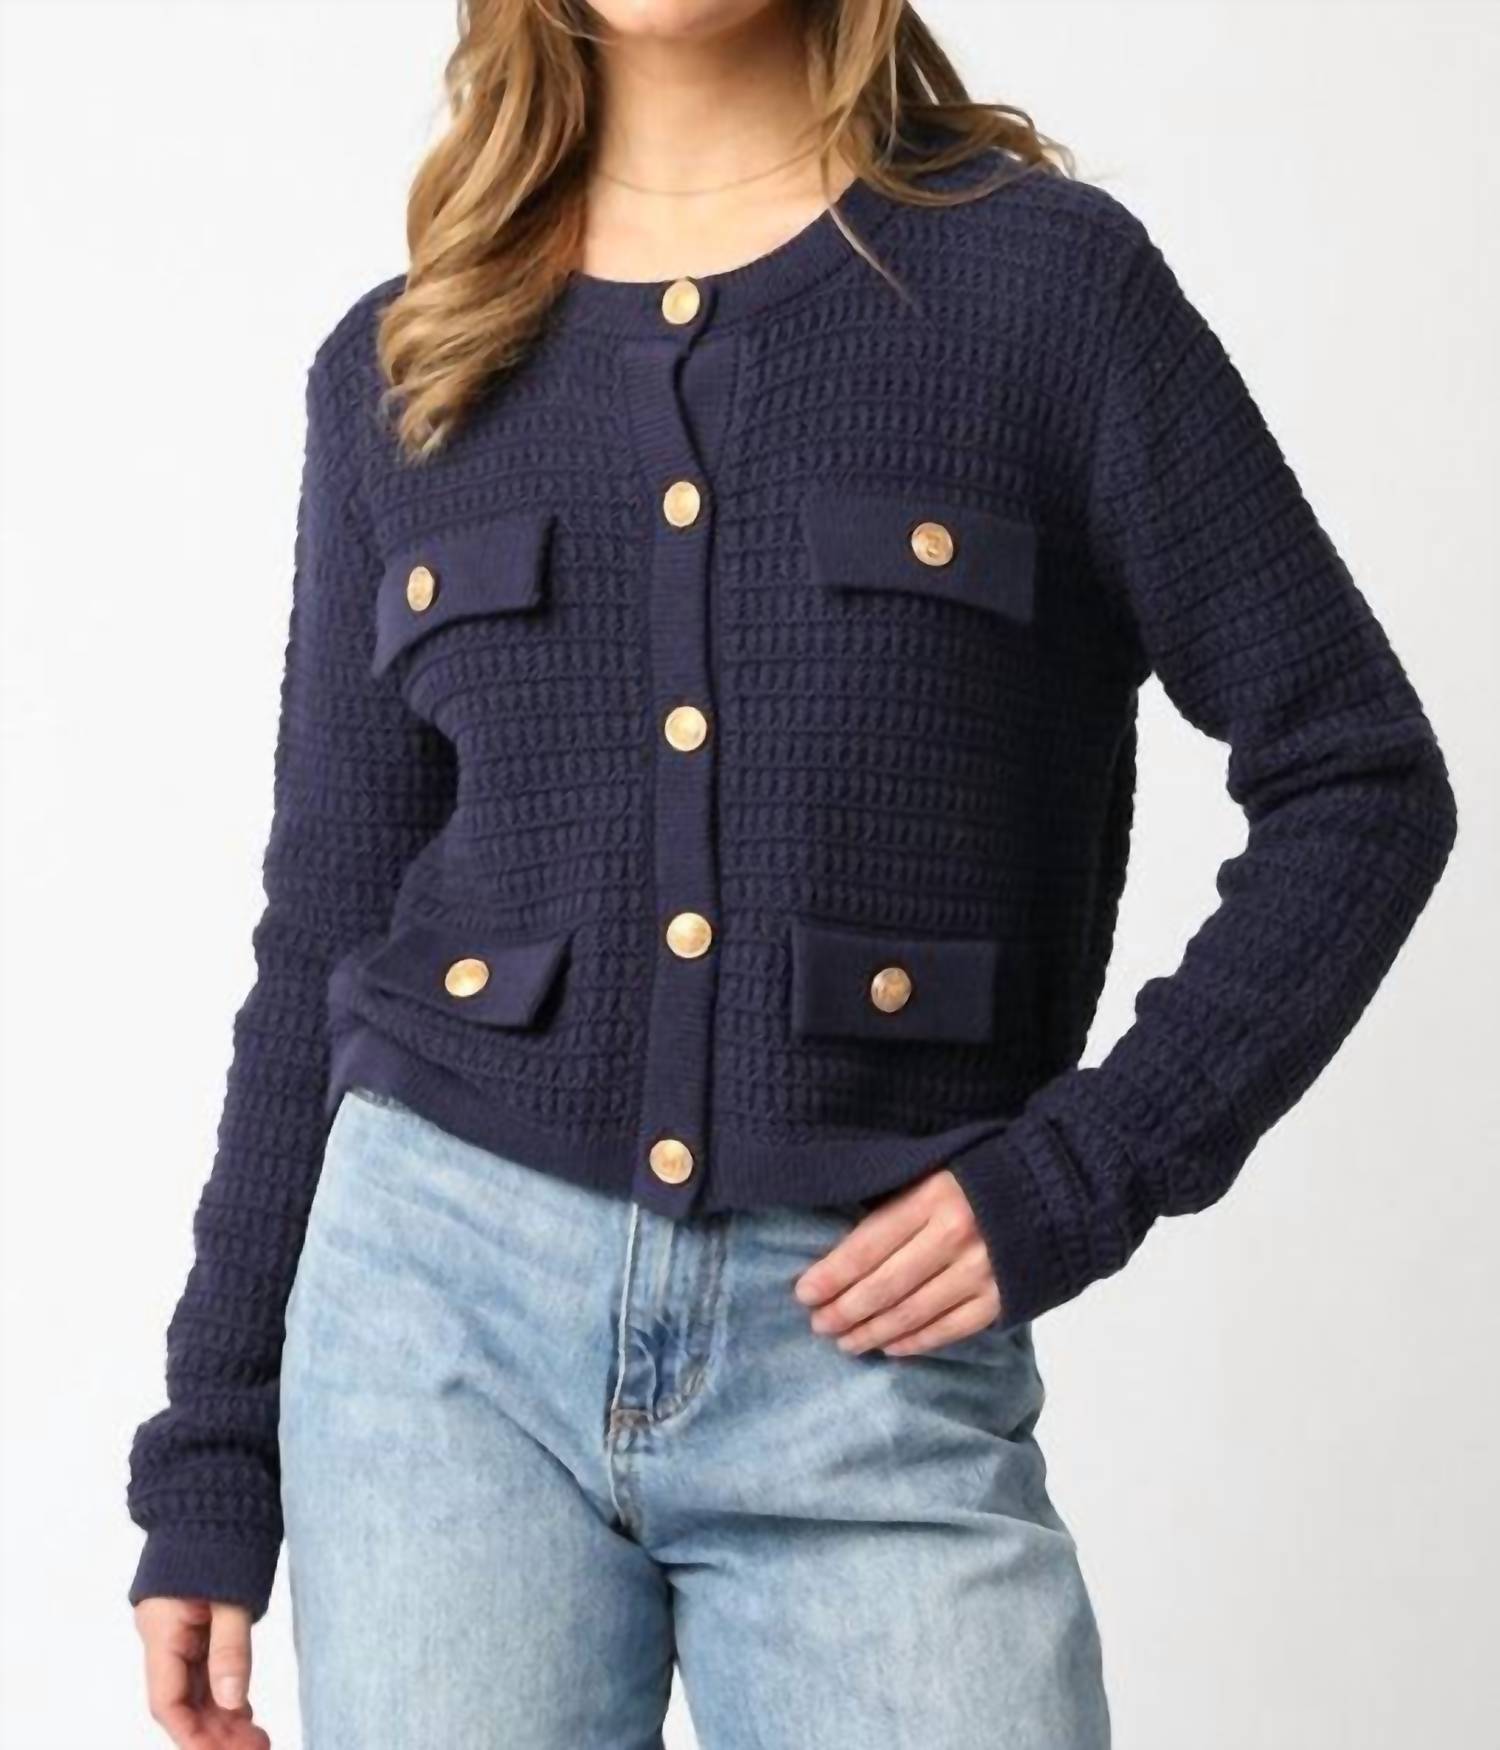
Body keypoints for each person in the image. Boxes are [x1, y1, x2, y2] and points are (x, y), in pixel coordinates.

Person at [125, 1, 1459, 1745]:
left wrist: (1082, 1171)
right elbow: (322, 923)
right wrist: (214, 1450)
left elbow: (1359, 778)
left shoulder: (1047, 294)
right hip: (433, 1333)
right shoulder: (405, 367)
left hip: (870, 1357)